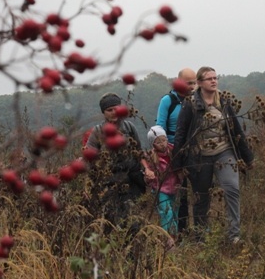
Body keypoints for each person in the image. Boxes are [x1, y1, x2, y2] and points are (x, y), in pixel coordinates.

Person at [172, 66, 254, 244]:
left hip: (224, 152)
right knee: (201, 197)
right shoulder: (190, 104)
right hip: (199, 156)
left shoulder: (223, 101)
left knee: (232, 188)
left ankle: (234, 235)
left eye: (215, 78)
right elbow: (181, 133)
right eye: (209, 79)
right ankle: (200, 238)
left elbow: (236, 129)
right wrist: (177, 164)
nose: (214, 81)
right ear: (200, 83)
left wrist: (248, 157)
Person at [84, 92, 146, 230]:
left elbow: (139, 152)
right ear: (103, 112)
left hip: (131, 181)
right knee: (110, 222)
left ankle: (134, 250)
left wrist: (147, 170)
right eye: (109, 110)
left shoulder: (129, 128)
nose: (113, 112)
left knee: (134, 222)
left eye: (116, 108)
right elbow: (89, 158)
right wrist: (89, 184)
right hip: (108, 182)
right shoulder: (98, 132)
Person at [155, 67, 196, 235]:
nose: (191, 86)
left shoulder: (197, 100)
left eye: (194, 83)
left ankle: (199, 229)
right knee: (179, 192)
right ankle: (179, 230)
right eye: (188, 83)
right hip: (174, 153)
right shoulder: (168, 101)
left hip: (194, 151)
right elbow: (160, 126)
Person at [143, 125, 182, 247]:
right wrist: (150, 177)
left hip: (175, 189)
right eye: (158, 142)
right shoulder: (151, 157)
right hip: (161, 190)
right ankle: (168, 240)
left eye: (164, 140)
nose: (162, 144)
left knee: (175, 214)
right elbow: (147, 175)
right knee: (167, 213)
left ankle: (174, 238)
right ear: (153, 144)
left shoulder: (174, 150)